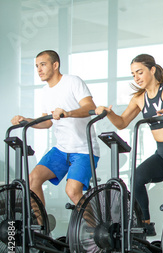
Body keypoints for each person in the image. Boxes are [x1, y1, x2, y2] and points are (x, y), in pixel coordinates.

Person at [95, 54, 163, 237]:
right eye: (133, 74)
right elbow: (121, 123)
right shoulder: (139, 98)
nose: (136, 78)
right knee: (136, 177)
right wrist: (107, 113)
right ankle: (144, 224)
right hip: (162, 156)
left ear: (152, 70)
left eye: (139, 72)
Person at [11, 50, 100, 211]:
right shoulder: (45, 92)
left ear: (55, 65)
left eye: (43, 65)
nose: (39, 69)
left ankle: (97, 230)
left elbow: (90, 107)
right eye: (37, 66)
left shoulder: (73, 81)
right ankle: (42, 229)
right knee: (33, 180)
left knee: (72, 192)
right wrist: (27, 121)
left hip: (84, 150)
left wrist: (67, 112)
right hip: (61, 149)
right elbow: (47, 123)